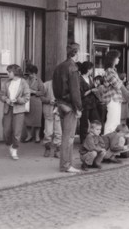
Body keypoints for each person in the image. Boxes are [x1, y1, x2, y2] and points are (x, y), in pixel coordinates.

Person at [53, 43, 82, 173]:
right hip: (70, 105)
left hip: (60, 103)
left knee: (66, 135)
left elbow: (55, 86)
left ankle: (66, 163)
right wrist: (78, 107)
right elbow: (75, 90)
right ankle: (66, 164)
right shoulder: (73, 68)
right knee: (68, 137)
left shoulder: (59, 67)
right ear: (76, 53)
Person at [0, 64, 30, 160]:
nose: (7, 73)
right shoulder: (6, 82)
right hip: (8, 109)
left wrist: (18, 100)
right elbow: (1, 95)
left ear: (15, 72)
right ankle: (10, 144)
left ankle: (14, 148)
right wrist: (6, 99)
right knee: (6, 131)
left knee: (17, 132)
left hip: (19, 110)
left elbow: (27, 97)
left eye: (9, 72)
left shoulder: (24, 83)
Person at [103, 50, 124, 134]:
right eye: (117, 57)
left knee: (115, 122)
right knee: (112, 122)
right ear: (113, 59)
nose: (118, 59)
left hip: (115, 98)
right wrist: (121, 81)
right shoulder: (110, 71)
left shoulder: (112, 70)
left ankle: (111, 142)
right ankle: (107, 141)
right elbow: (117, 85)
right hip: (112, 98)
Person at [79, 61, 100, 143]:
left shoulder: (90, 78)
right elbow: (81, 94)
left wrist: (95, 87)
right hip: (84, 104)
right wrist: (91, 90)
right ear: (88, 69)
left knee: (96, 121)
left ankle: (94, 139)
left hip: (92, 103)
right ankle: (83, 141)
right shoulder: (80, 79)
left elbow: (91, 89)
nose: (92, 70)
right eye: (91, 69)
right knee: (84, 124)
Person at [24, 64, 44, 143]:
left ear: (35, 73)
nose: (31, 75)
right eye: (29, 73)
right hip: (27, 101)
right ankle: (29, 136)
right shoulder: (26, 80)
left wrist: (34, 91)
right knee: (27, 119)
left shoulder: (39, 81)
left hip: (36, 101)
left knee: (37, 120)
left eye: (32, 74)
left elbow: (42, 92)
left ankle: (37, 136)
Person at [41, 80, 62, 158]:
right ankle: (47, 148)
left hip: (59, 111)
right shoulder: (46, 85)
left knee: (59, 132)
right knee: (48, 132)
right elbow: (41, 97)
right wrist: (49, 101)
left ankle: (57, 150)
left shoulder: (63, 84)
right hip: (48, 111)